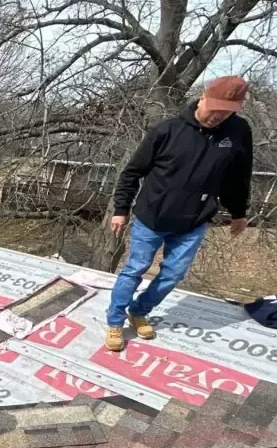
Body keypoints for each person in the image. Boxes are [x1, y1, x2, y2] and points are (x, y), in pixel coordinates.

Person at [106, 75, 253, 352]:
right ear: (203, 98)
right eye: (214, 109)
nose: (217, 117)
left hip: (193, 221)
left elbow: (239, 176)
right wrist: (121, 209)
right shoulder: (168, 130)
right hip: (152, 217)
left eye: (226, 113)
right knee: (135, 269)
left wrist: (239, 212)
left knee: (173, 275)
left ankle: (138, 311)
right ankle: (115, 321)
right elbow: (132, 172)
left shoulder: (238, 132)